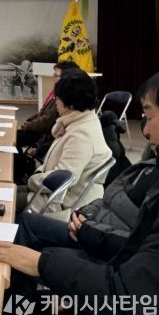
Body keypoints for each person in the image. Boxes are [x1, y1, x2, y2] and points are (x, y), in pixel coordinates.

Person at [0, 66, 159, 315]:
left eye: (150, 116)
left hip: (126, 309)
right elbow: (138, 245)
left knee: (30, 299)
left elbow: (135, 303)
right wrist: (88, 232)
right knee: (23, 280)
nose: (146, 130)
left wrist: (41, 263)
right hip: (113, 275)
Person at [21, 69, 112, 220]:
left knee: (4, 202)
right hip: (50, 193)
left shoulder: (82, 134)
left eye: (57, 97)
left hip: (58, 204)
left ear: (69, 102)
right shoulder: (77, 122)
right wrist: (37, 176)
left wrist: (32, 179)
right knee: (8, 192)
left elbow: (61, 179)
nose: (55, 101)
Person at [16, 61, 80, 149]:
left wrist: (28, 126)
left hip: (43, 134)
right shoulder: (55, 92)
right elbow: (42, 112)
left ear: (66, 78)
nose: (53, 77)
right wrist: (29, 121)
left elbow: (47, 121)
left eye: (56, 75)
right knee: (13, 136)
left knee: (13, 138)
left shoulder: (63, 97)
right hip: (40, 130)